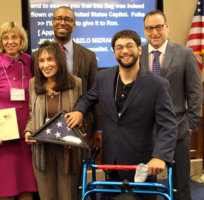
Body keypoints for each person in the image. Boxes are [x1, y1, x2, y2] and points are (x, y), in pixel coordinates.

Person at [65, 30, 178, 200]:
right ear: (114, 51)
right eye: (119, 47)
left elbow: (168, 125)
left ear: (140, 49)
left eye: (129, 46)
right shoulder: (103, 77)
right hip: (111, 161)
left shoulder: (158, 85)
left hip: (142, 165)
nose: (124, 51)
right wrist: (79, 111)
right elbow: (88, 98)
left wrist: (160, 156)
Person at [140, 10, 203, 200]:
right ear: (144, 30)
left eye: (159, 27)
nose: (155, 32)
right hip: (144, 131)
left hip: (177, 129)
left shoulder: (185, 53)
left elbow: (195, 91)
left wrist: (190, 124)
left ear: (167, 27)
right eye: (150, 28)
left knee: (180, 185)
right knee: (144, 183)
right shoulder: (138, 54)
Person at [0, 21, 37, 200]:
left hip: (28, 138)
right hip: (3, 141)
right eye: (6, 38)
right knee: (6, 192)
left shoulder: (31, 62)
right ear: (1, 41)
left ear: (22, 40)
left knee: (28, 190)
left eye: (15, 37)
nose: (10, 41)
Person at [24, 41, 82, 200]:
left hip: (67, 150)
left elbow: (81, 111)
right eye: (41, 61)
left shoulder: (75, 83)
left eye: (50, 59)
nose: (45, 65)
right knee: (47, 196)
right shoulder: (33, 83)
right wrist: (29, 130)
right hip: (42, 149)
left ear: (59, 60)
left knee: (67, 196)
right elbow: (31, 114)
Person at [50, 6, 102, 143]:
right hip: (48, 125)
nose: (62, 22)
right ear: (52, 23)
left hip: (81, 124)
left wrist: (99, 128)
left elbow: (95, 92)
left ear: (74, 25)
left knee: (79, 165)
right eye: (58, 18)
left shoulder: (89, 56)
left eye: (67, 19)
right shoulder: (39, 55)